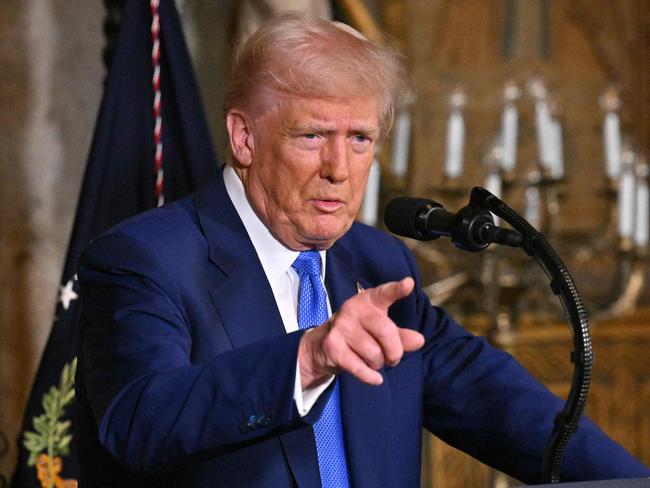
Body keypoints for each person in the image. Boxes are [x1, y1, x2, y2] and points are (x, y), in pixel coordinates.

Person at [76, 13, 649, 488]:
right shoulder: (143, 259)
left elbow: (502, 407)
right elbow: (140, 421)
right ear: (244, 137)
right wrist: (307, 357)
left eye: (360, 139)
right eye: (312, 136)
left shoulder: (379, 264)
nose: (339, 170)